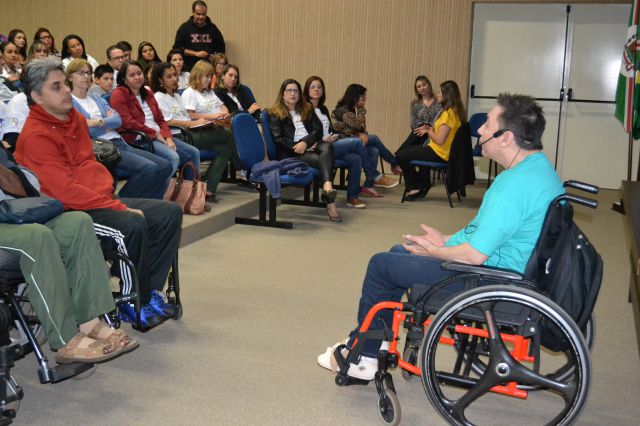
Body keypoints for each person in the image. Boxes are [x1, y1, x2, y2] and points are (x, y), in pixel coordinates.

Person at [317, 92, 564, 380]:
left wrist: (435, 251)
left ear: (506, 138)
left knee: (381, 265)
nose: (480, 130)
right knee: (399, 252)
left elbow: (474, 255)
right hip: (513, 273)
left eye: (487, 124)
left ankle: (364, 357)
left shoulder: (511, 186)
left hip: (489, 281)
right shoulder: (540, 171)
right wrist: (446, 240)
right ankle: (374, 343)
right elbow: (486, 233)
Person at [14, 57, 183, 329]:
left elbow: (88, 167)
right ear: (37, 97)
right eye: (56, 87)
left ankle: (149, 290)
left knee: (169, 213)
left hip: (94, 200)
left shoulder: (74, 120)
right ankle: (132, 301)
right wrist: (117, 207)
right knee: (131, 223)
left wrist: (109, 200)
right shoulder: (37, 136)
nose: (67, 90)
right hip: (68, 213)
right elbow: (65, 192)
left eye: (65, 84)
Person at [1, 144, 138, 363]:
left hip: (15, 214)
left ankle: (90, 323)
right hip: (10, 225)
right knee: (38, 236)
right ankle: (65, 339)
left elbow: (31, 184)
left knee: (78, 222)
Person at [66, 59, 172, 200]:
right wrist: (105, 121)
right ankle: (122, 202)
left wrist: (96, 122)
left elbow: (118, 120)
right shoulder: (69, 102)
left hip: (119, 142)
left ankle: (150, 203)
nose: (86, 76)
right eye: (80, 73)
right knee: (149, 168)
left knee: (165, 166)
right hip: (101, 148)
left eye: (88, 72)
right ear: (70, 77)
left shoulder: (96, 98)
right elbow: (87, 130)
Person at [152, 61, 237, 202]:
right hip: (179, 136)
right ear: (160, 80)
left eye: (175, 75)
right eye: (169, 77)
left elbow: (186, 117)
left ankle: (208, 189)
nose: (174, 79)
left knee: (224, 149)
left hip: (191, 131)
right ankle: (243, 163)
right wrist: (195, 123)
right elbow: (168, 122)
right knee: (226, 133)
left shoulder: (176, 96)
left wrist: (202, 123)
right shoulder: (159, 97)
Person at [109, 60, 201, 177]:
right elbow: (127, 122)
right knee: (172, 157)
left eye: (139, 73)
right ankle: (162, 187)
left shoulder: (147, 92)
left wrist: (168, 138)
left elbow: (160, 119)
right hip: (140, 138)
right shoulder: (119, 94)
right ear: (124, 79)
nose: (137, 77)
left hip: (159, 135)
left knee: (193, 152)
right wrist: (153, 133)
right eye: (132, 75)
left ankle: (189, 188)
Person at [268, 79, 342, 222]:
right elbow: (278, 139)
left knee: (327, 147)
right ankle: (330, 200)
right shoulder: (274, 113)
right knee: (323, 160)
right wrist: (299, 146)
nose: (293, 94)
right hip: (291, 152)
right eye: (289, 90)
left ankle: (327, 187)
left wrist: (306, 142)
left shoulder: (307, 108)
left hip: (310, 145)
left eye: (296, 91)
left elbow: (318, 130)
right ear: (282, 94)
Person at [303, 76, 376, 208]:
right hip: (318, 147)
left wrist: (338, 135)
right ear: (307, 90)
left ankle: (352, 198)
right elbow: (305, 132)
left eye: (319, 87)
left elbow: (332, 129)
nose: (316, 89)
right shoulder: (304, 109)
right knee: (356, 143)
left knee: (356, 159)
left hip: (331, 143)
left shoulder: (323, 109)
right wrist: (323, 139)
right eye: (312, 87)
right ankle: (373, 175)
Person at [395, 80, 466, 201]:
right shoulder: (454, 112)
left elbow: (440, 140)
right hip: (439, 150)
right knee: (405, 152)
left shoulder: (448, 115)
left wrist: (429, 131)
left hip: (439, 153)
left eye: (440, 92)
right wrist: (429, 129)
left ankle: (416, 186)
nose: (437, 94)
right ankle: (422, 183)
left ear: (447, 95)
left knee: (400, 156)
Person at [332, 84, 401, 194]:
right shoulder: (343, 111)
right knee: (374, 138)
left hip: (352, 141)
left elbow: (361, 129)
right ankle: (391, 164)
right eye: (363, 95)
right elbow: (359, 127)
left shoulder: (352, 109)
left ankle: (368, 185)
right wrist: (361, 111)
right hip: (342, 144)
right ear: (354, 96)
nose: (365, 98)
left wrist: (361, 132)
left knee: (375, 150)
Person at [173, 0, 226, 72]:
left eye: (203, 14)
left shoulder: (213, 28)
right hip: (189, 69)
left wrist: (212, 57)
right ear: (193, 12)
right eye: (198, 14)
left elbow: (221, 50)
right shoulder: (184, 28)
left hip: (209, 69)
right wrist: (196, 53)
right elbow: (177, 49)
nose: (201, 17)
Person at [396, 75, 442, 154]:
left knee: (422, 127)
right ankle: (398, 155)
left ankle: (396, 155)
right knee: (419, 129)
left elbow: (440, 119)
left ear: (429, 85)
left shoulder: (438, 101)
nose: (422, 88)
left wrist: (428, 128)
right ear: (417, 90)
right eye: (419, 86)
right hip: (419, 134)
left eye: (424, 85)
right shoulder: (415, 103)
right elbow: (414, 123)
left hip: (434, 133)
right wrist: (423, 128)